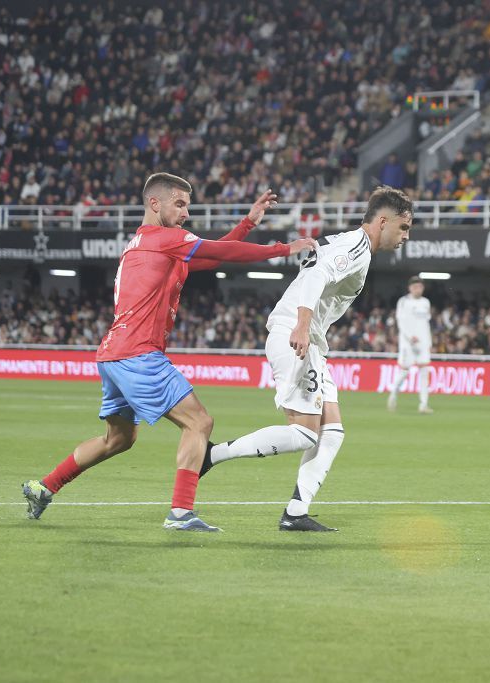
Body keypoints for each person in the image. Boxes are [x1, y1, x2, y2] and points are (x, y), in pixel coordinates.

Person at [21, 173, 316, 532]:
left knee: (118, 439)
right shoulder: (164, 240)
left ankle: (44, 487)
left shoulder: (146, 244)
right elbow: (220, 251)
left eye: (188, 205)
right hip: (138, 354)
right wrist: (283, 249)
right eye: (180, 204)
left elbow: (213, 256)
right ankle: (180, 513)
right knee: (199, 423)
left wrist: (248, 223)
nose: (186, 212)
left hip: (113, 354)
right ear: (154, 203)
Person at [199, 186, 414, 531]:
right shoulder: (356, 247)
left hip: (310, 340)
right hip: (295, 335)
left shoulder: (355, 247)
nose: (406, 236)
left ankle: (297, 512)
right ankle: (210, 455)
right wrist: (301, 325)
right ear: (383, 220)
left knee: (333, 431)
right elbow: (315, 275)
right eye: (403, 228)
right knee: (304, 433)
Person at [387, 275, 433, 413]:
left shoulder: (426, 302)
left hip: (423, 343)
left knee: (424, 373)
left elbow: (426, 323)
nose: (418, 289)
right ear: (410, 288)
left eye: (420, 287)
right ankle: (393, 394)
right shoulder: (403, 302)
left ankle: (423, 404)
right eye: (415, 287)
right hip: (408, 343)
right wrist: (409, 336)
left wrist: (429, 341)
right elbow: (401, 322)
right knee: (404, 372)